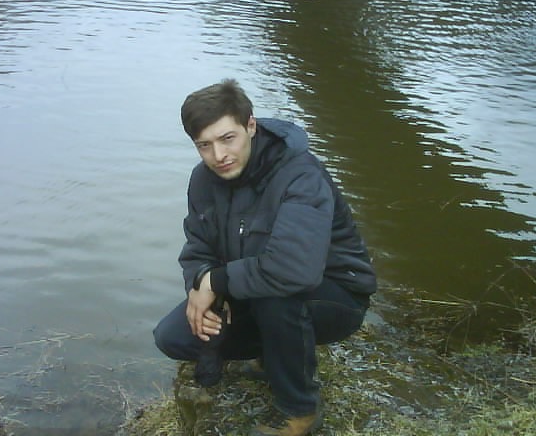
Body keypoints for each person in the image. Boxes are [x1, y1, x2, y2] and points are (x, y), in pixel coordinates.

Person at [153, 79, 376, 436]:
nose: (219, 155)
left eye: (228, 138)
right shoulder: (202, 181)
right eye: (204, 145)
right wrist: (200, 283)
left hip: (335, 293)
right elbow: (197, 249)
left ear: (251, 126)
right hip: (257, 285)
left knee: (277, 296)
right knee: (173, 336)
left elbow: (294, 270)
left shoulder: (300, 175)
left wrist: (217, 281)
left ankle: (300, 409)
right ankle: (273, 356)